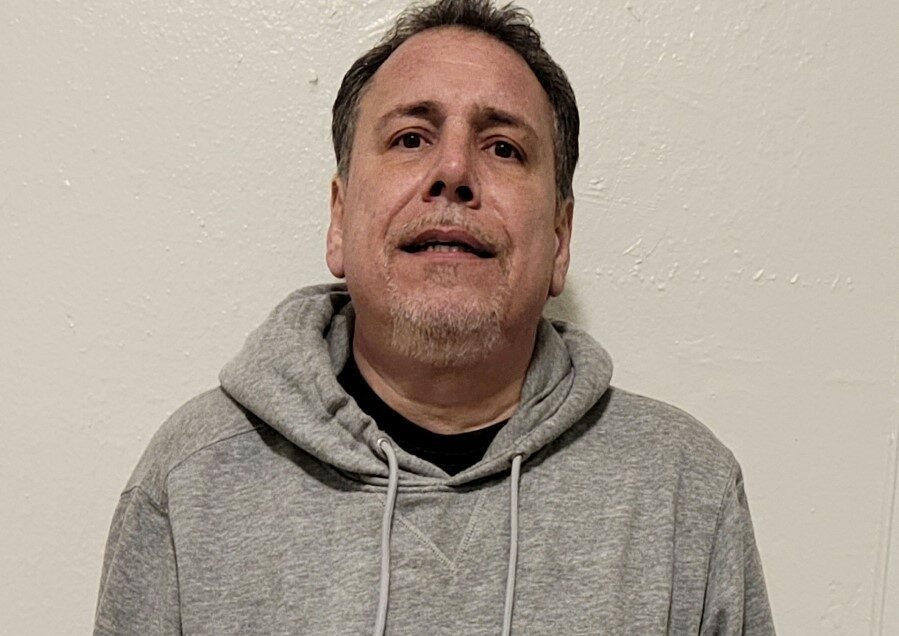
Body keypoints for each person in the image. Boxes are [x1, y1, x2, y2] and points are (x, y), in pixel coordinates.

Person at [94, 1, 774, 634]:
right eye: (410, 138)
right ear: (339, 220)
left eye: (503, 148)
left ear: (559, 239)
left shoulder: (684, 492)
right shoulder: (192, 482)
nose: (453, 170)